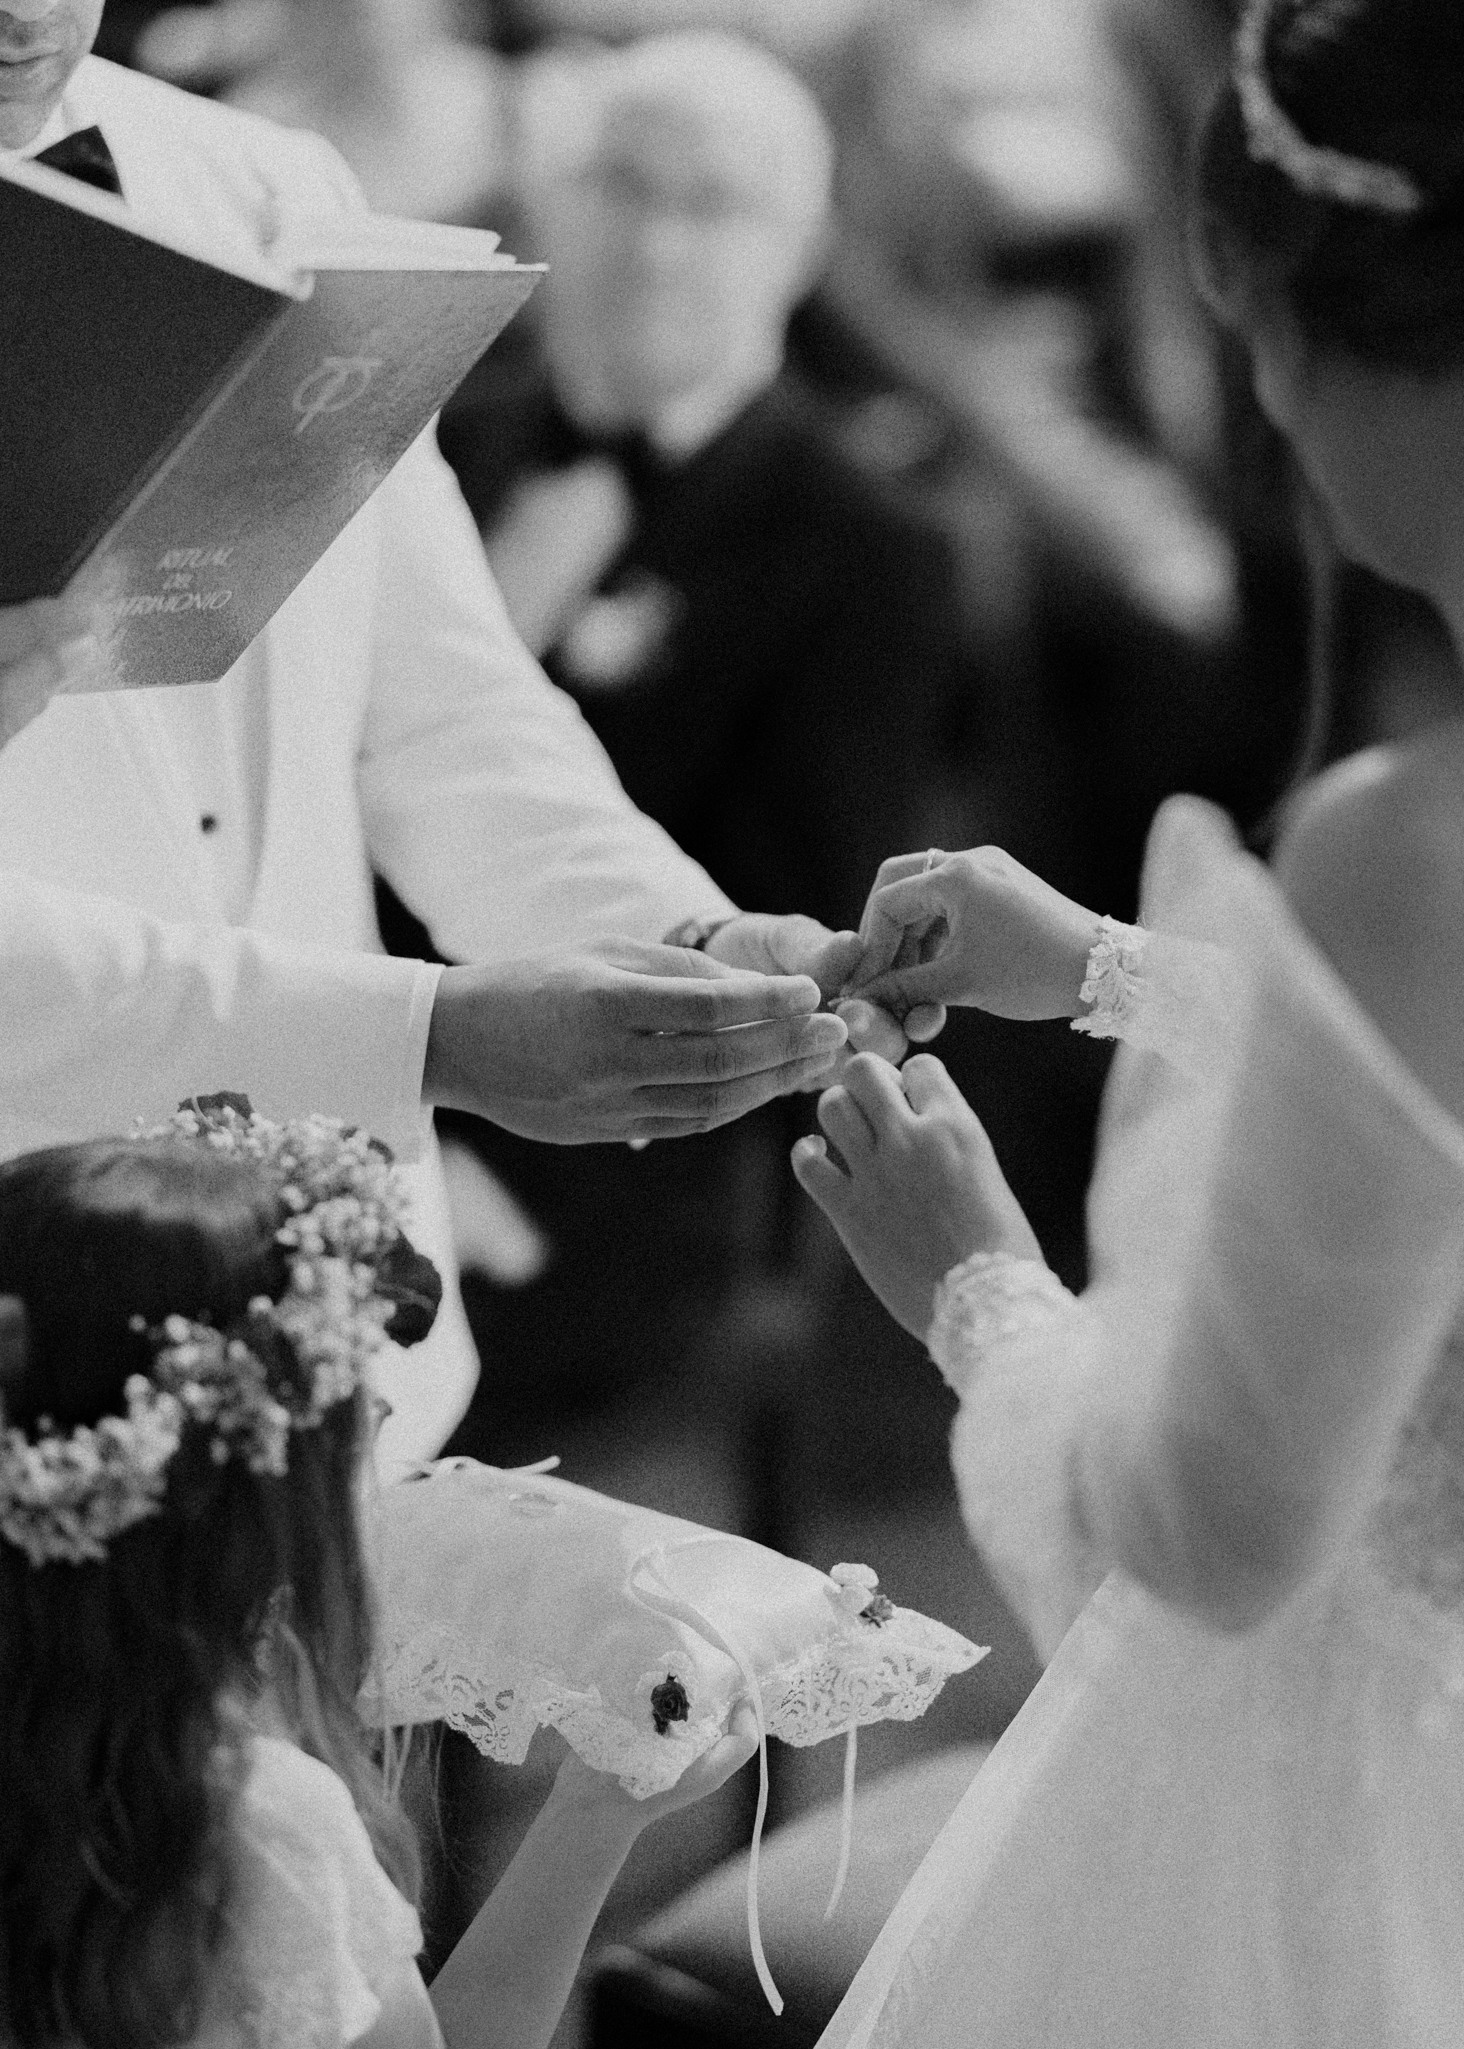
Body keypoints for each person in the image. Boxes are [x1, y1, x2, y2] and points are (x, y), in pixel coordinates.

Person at [786, 1, 1464, 2040]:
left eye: (1242, 329)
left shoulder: (1409, 842)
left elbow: (1211, 1537)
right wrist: (1097, 961)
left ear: (1303, 327)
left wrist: (975, 1283)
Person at [0, 0, 906, 1474]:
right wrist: (425, 1038)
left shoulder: (273, 187)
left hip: (341, 1305)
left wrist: (674, 933)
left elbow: (442, 706)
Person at [0, 1101, 758, 2049]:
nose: (387, 1422)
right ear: (257, 1497)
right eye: (358, 1421)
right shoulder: (246, 1827)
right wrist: (593, 1817)